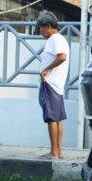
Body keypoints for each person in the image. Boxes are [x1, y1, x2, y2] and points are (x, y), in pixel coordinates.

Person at [36, 11, 70, 159]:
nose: (40, 31)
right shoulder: (60, 39)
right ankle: (58, 151)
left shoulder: (55, 39)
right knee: (57, 119)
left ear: (48, 26)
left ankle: (54, 152)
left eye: (41, 28)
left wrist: (46, 70)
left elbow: (62, 57)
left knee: (51, 119)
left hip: (50, 83)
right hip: (56, 84)